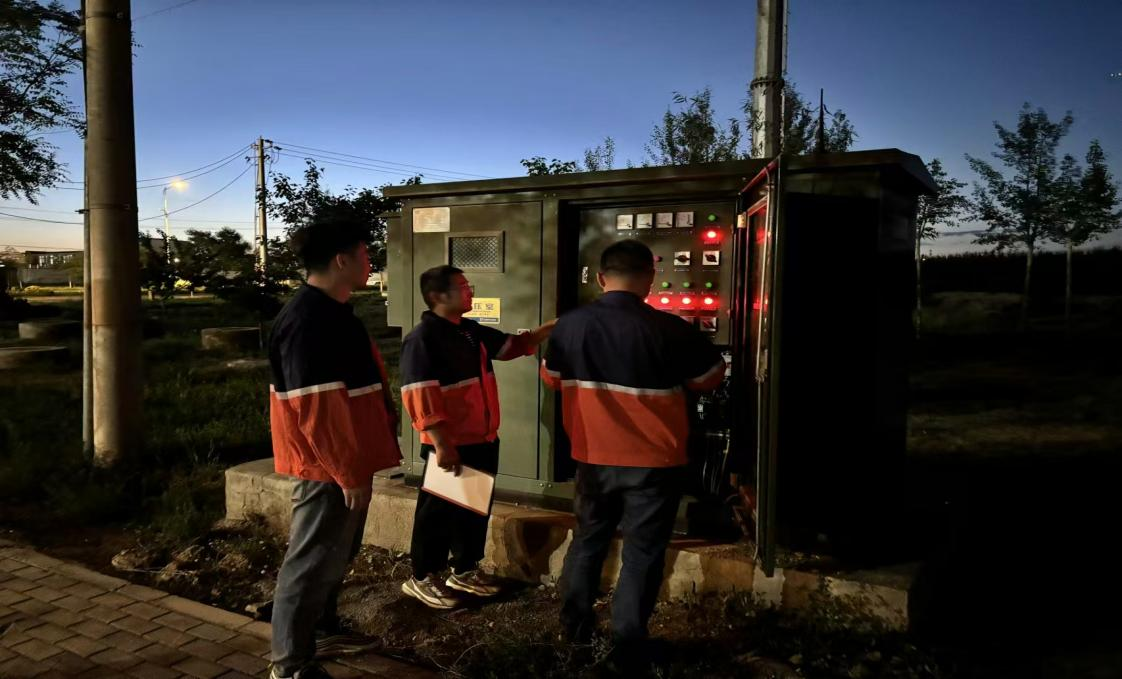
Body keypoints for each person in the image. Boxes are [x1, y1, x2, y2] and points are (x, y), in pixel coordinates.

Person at [540, 240, 725, 666]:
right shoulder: (669, 328)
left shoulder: (569, 326)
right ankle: (628, 645)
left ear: (601, 279)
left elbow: (551, 378)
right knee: (642, 551)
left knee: (588, 540)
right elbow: (711, 377)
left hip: (593, 457)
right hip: (654, 462)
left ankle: (575, 631)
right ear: (649, 279)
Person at [267, 216, 401, 679]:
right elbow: (316, 407)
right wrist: (348, 471)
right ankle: (290, 665)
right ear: (341, 260)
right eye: (365, 255)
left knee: (333, 555)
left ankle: (319, 632)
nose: (370, 263)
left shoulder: (331, 311)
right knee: (310, 561)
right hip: (327, 466)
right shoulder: (309, 320)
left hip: (344, 462)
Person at [399, 265, 555, 609]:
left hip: (481, 438)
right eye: (463, 286)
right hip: (451, 442)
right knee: (438, 513)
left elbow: (512, 346)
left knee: (472, 510)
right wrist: (442, 443)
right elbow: (419, 394)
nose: (471, 290)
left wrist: (554, 327)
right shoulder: (423, 338)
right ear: (438, 296)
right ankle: (423, 577)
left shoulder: (469, 331)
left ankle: (464, 569)